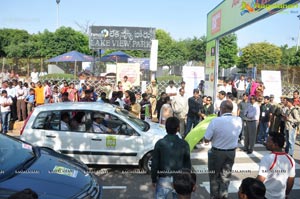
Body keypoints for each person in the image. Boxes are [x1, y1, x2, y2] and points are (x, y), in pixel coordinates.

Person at [204, 100, 242, 199]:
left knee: (214, 177)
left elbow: (206, 139)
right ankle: (223, 196)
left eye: (220, 108)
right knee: (226, 177)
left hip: (217, 152)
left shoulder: (216, 121)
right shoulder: (238, 120)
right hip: (230, 152)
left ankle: (214, 197)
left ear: (223, 109)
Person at [151, 117, 191, 199]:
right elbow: (187, 164)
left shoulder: (160, 143)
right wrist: (188, 180)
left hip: (163, 178)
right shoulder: (184, 144)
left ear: (165, 128)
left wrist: (154, 179)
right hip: (179, 179)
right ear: (178, 128)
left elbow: (154, 164)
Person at [257, 132, 295, 199]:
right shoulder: (290, 159)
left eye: (268, 141)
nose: (266, 142)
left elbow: (260, 180)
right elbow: (291, 181)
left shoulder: (267, 158)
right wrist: (286, 194)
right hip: (281, 196)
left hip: (267, 195)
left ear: (275, 144)